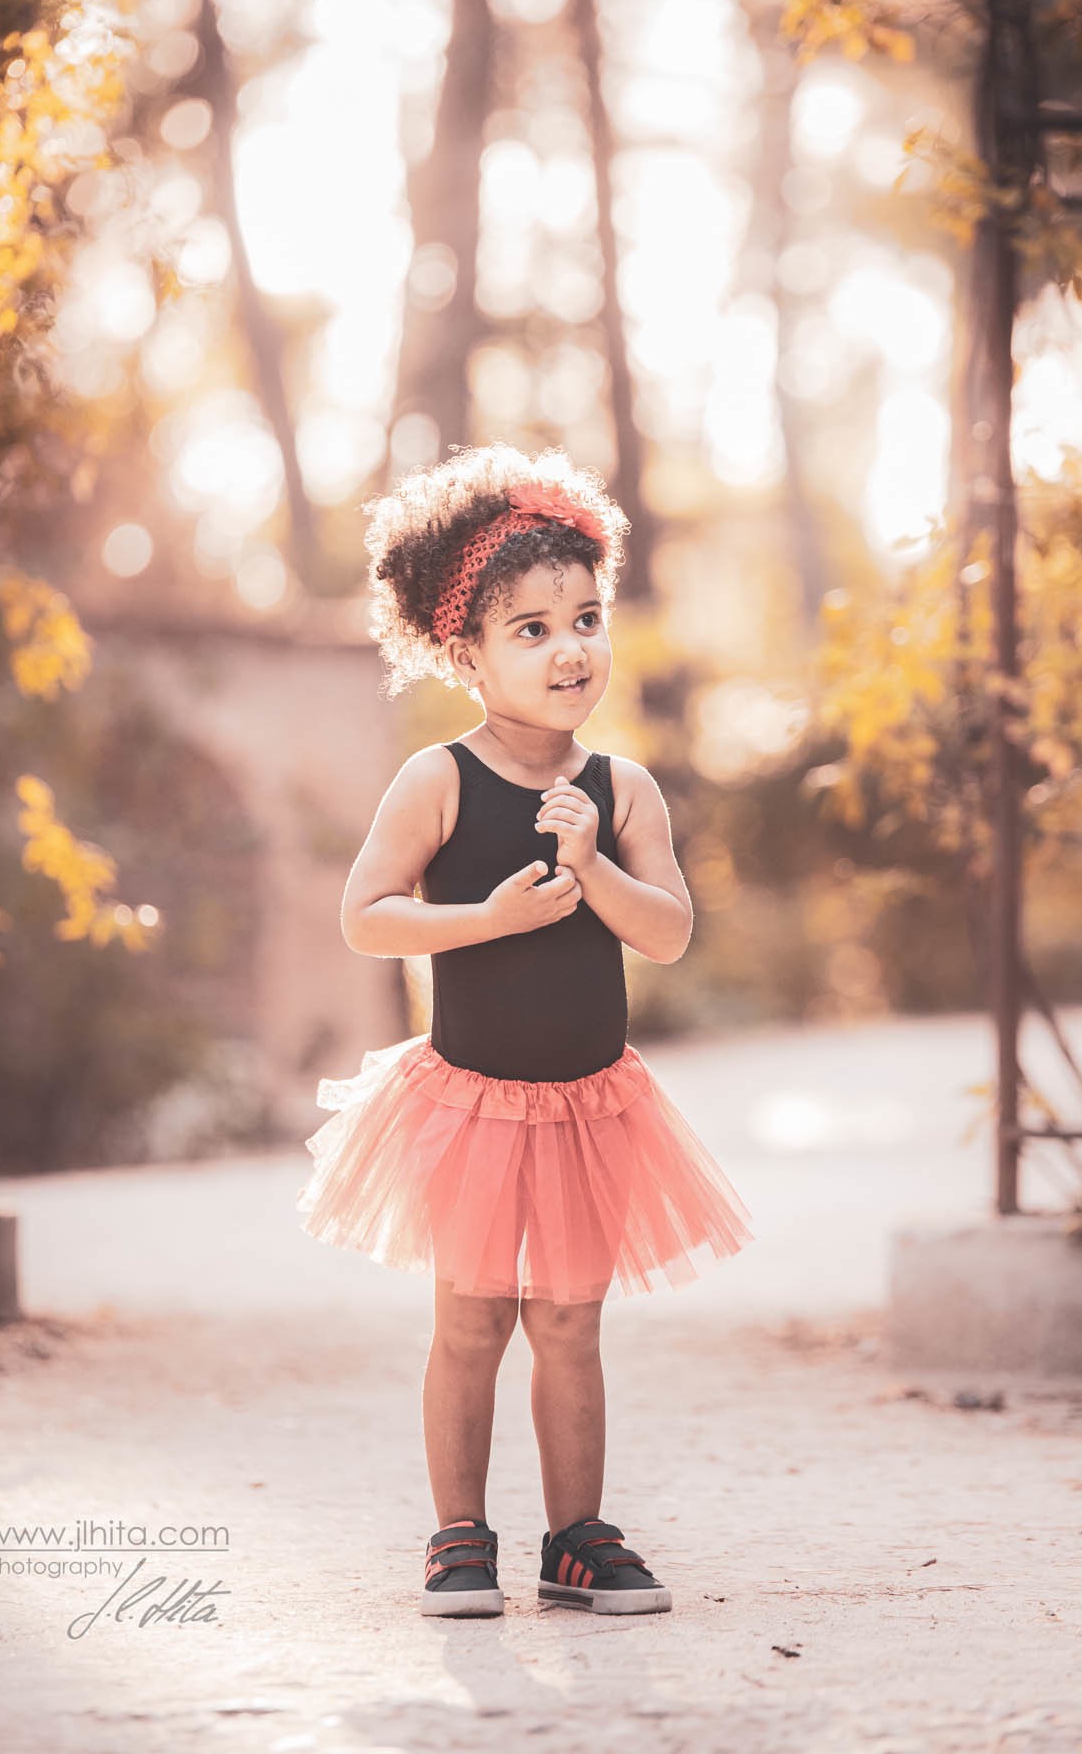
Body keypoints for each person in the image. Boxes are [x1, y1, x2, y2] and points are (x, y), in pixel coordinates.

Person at [296, 441, 755, 1619]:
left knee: (569, 1321)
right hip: (473, 1100)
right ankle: (459, 1537)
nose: (570, 649)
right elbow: (366, 917)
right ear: (467, 654)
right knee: (472, 1318)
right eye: (532, 628)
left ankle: (577, 1539)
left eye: (586, 618)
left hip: (591, 1100)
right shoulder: (437, 778)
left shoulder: (625, 787)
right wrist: (485, 917)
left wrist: (593, 864)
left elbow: (667, 933)